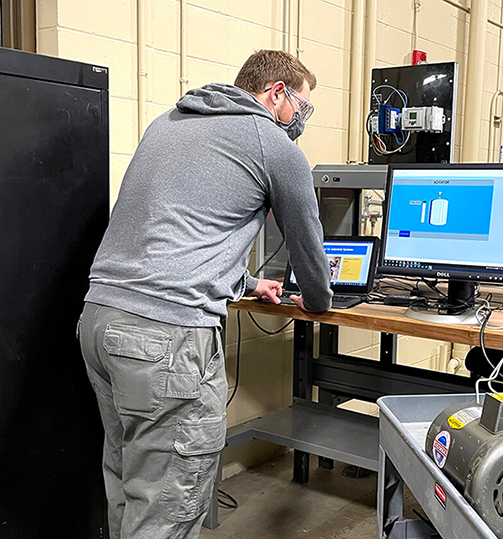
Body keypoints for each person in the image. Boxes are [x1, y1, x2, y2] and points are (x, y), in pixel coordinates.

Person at [78, 49, 332, 539]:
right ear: (276, 92)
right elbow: (308, 244)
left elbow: (175, 237)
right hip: (165, 341)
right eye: (301, 104)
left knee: (130, 485)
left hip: (100, 322)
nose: (301, 118)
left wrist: (249, 283)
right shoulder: (273, 144)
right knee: (169, 507)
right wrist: (318, 302)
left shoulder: (168, 124)